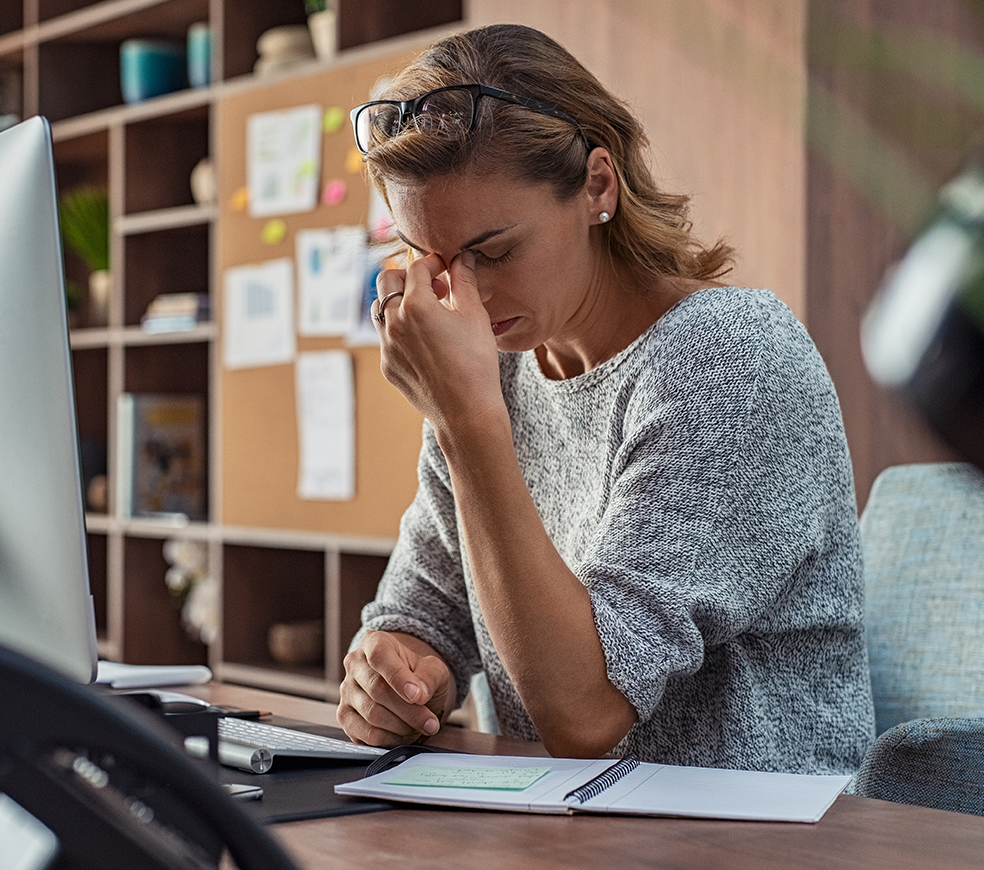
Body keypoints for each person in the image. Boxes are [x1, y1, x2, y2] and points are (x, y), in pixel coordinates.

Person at [338, 23, 873, 774]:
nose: (465, 294)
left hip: (757, 838)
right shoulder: (496, 371)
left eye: (494, 252)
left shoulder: (729, 359)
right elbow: (426, 610)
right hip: (565, 828)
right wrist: (394, 673)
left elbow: (585, 711)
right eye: (433, 260)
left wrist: (465, 420)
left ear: (598, 185)